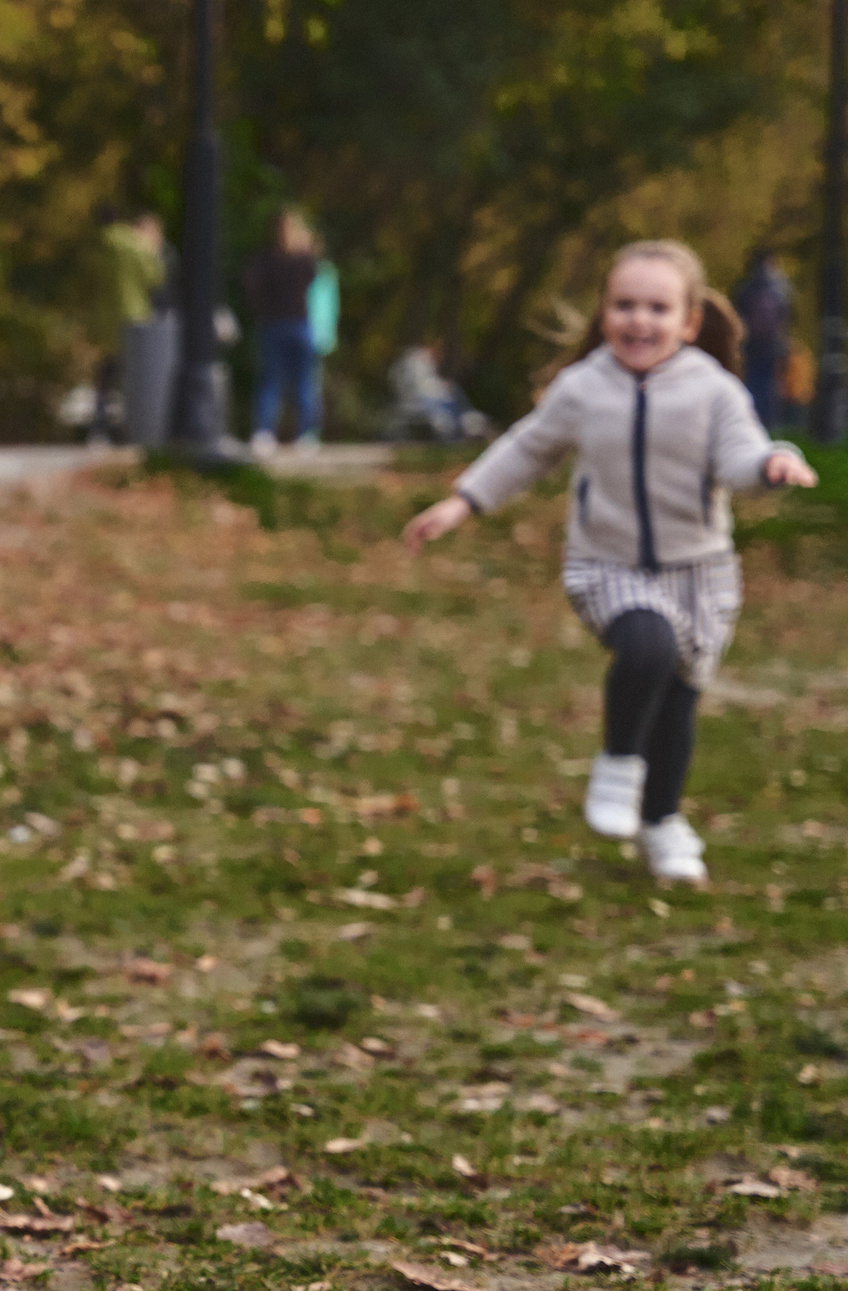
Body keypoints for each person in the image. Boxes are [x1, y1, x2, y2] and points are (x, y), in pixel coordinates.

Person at [403, 240, 817, 886]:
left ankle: (662, 823)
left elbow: (741, 455)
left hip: (699, 573)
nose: (639, 321)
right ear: (604, 313)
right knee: (646, 646)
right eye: (624, 305)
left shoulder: (714, 391)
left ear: (688, 322)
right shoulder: (582, 388)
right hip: (607, 566)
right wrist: (462, 502)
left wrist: (772, 464)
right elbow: (526, 450)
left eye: (658, 307)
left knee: (678, 704)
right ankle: (618, 762)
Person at [243, 208, 322, 454]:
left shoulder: (295, 259)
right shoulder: (276, 259)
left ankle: (302, 434)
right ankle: (275, 432)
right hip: (283, 325)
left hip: (291, 325)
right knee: (279, 382)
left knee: (295, 383)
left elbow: (313, 277)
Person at [101, 211, 176, 446]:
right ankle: (133, 429)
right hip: (134, 314)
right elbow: (156, 278)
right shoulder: (137, 248)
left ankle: (100, 429)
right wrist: (155, 254)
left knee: (108, 374)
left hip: (105, 314)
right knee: (135, 374)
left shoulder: (104, 242)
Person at [731, 248, 795, 430]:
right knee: (770, 386)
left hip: (750, 345)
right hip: (772, 345)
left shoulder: (746, 287)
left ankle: (751, 421)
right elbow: (786, 316)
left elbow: (738, 315)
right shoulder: (781, 288)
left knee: (752, 382)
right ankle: (769, 425)